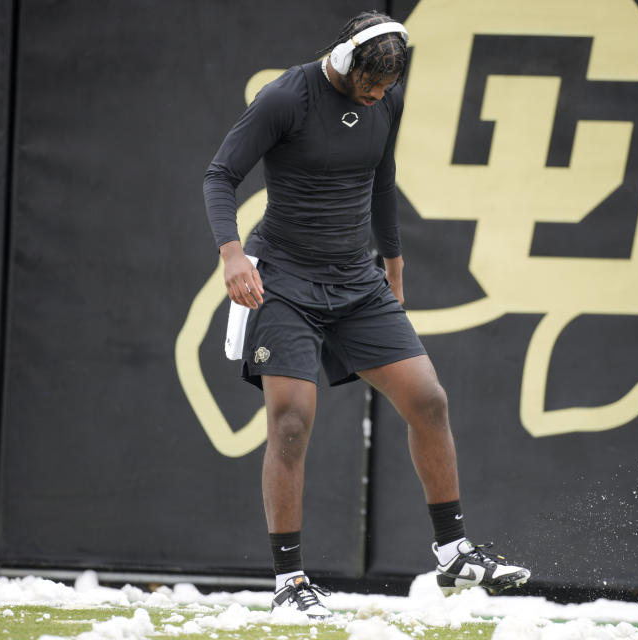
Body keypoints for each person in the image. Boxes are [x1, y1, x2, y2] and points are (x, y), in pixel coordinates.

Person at [203, 10, 530, 618]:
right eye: (372, 86)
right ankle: (290, 582)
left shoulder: (387, 100)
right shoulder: (285, 97)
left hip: (358, 281)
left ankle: (454, 553)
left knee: (428, 400)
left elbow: (383, 180)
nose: (380, 96)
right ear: (348, 63)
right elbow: (220, 175)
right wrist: (230, 255)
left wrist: (394, 265)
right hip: (285, 282)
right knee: (292, 420)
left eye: (388, 87)